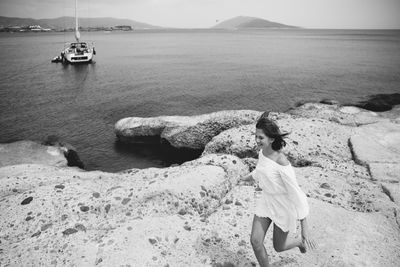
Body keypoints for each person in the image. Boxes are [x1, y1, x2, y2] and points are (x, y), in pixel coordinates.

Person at [239, 113, 316, 267]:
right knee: (255, 241)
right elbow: (260, 171)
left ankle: (299, 242)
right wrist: (244, 179)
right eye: (256, 136)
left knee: (279, 247)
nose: (257, 140)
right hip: (266, 201)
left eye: (261, 138)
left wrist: (304, 228)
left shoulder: (282, 162)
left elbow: (297, 194)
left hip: (283, 206)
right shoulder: (262, 152)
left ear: (272, 139)